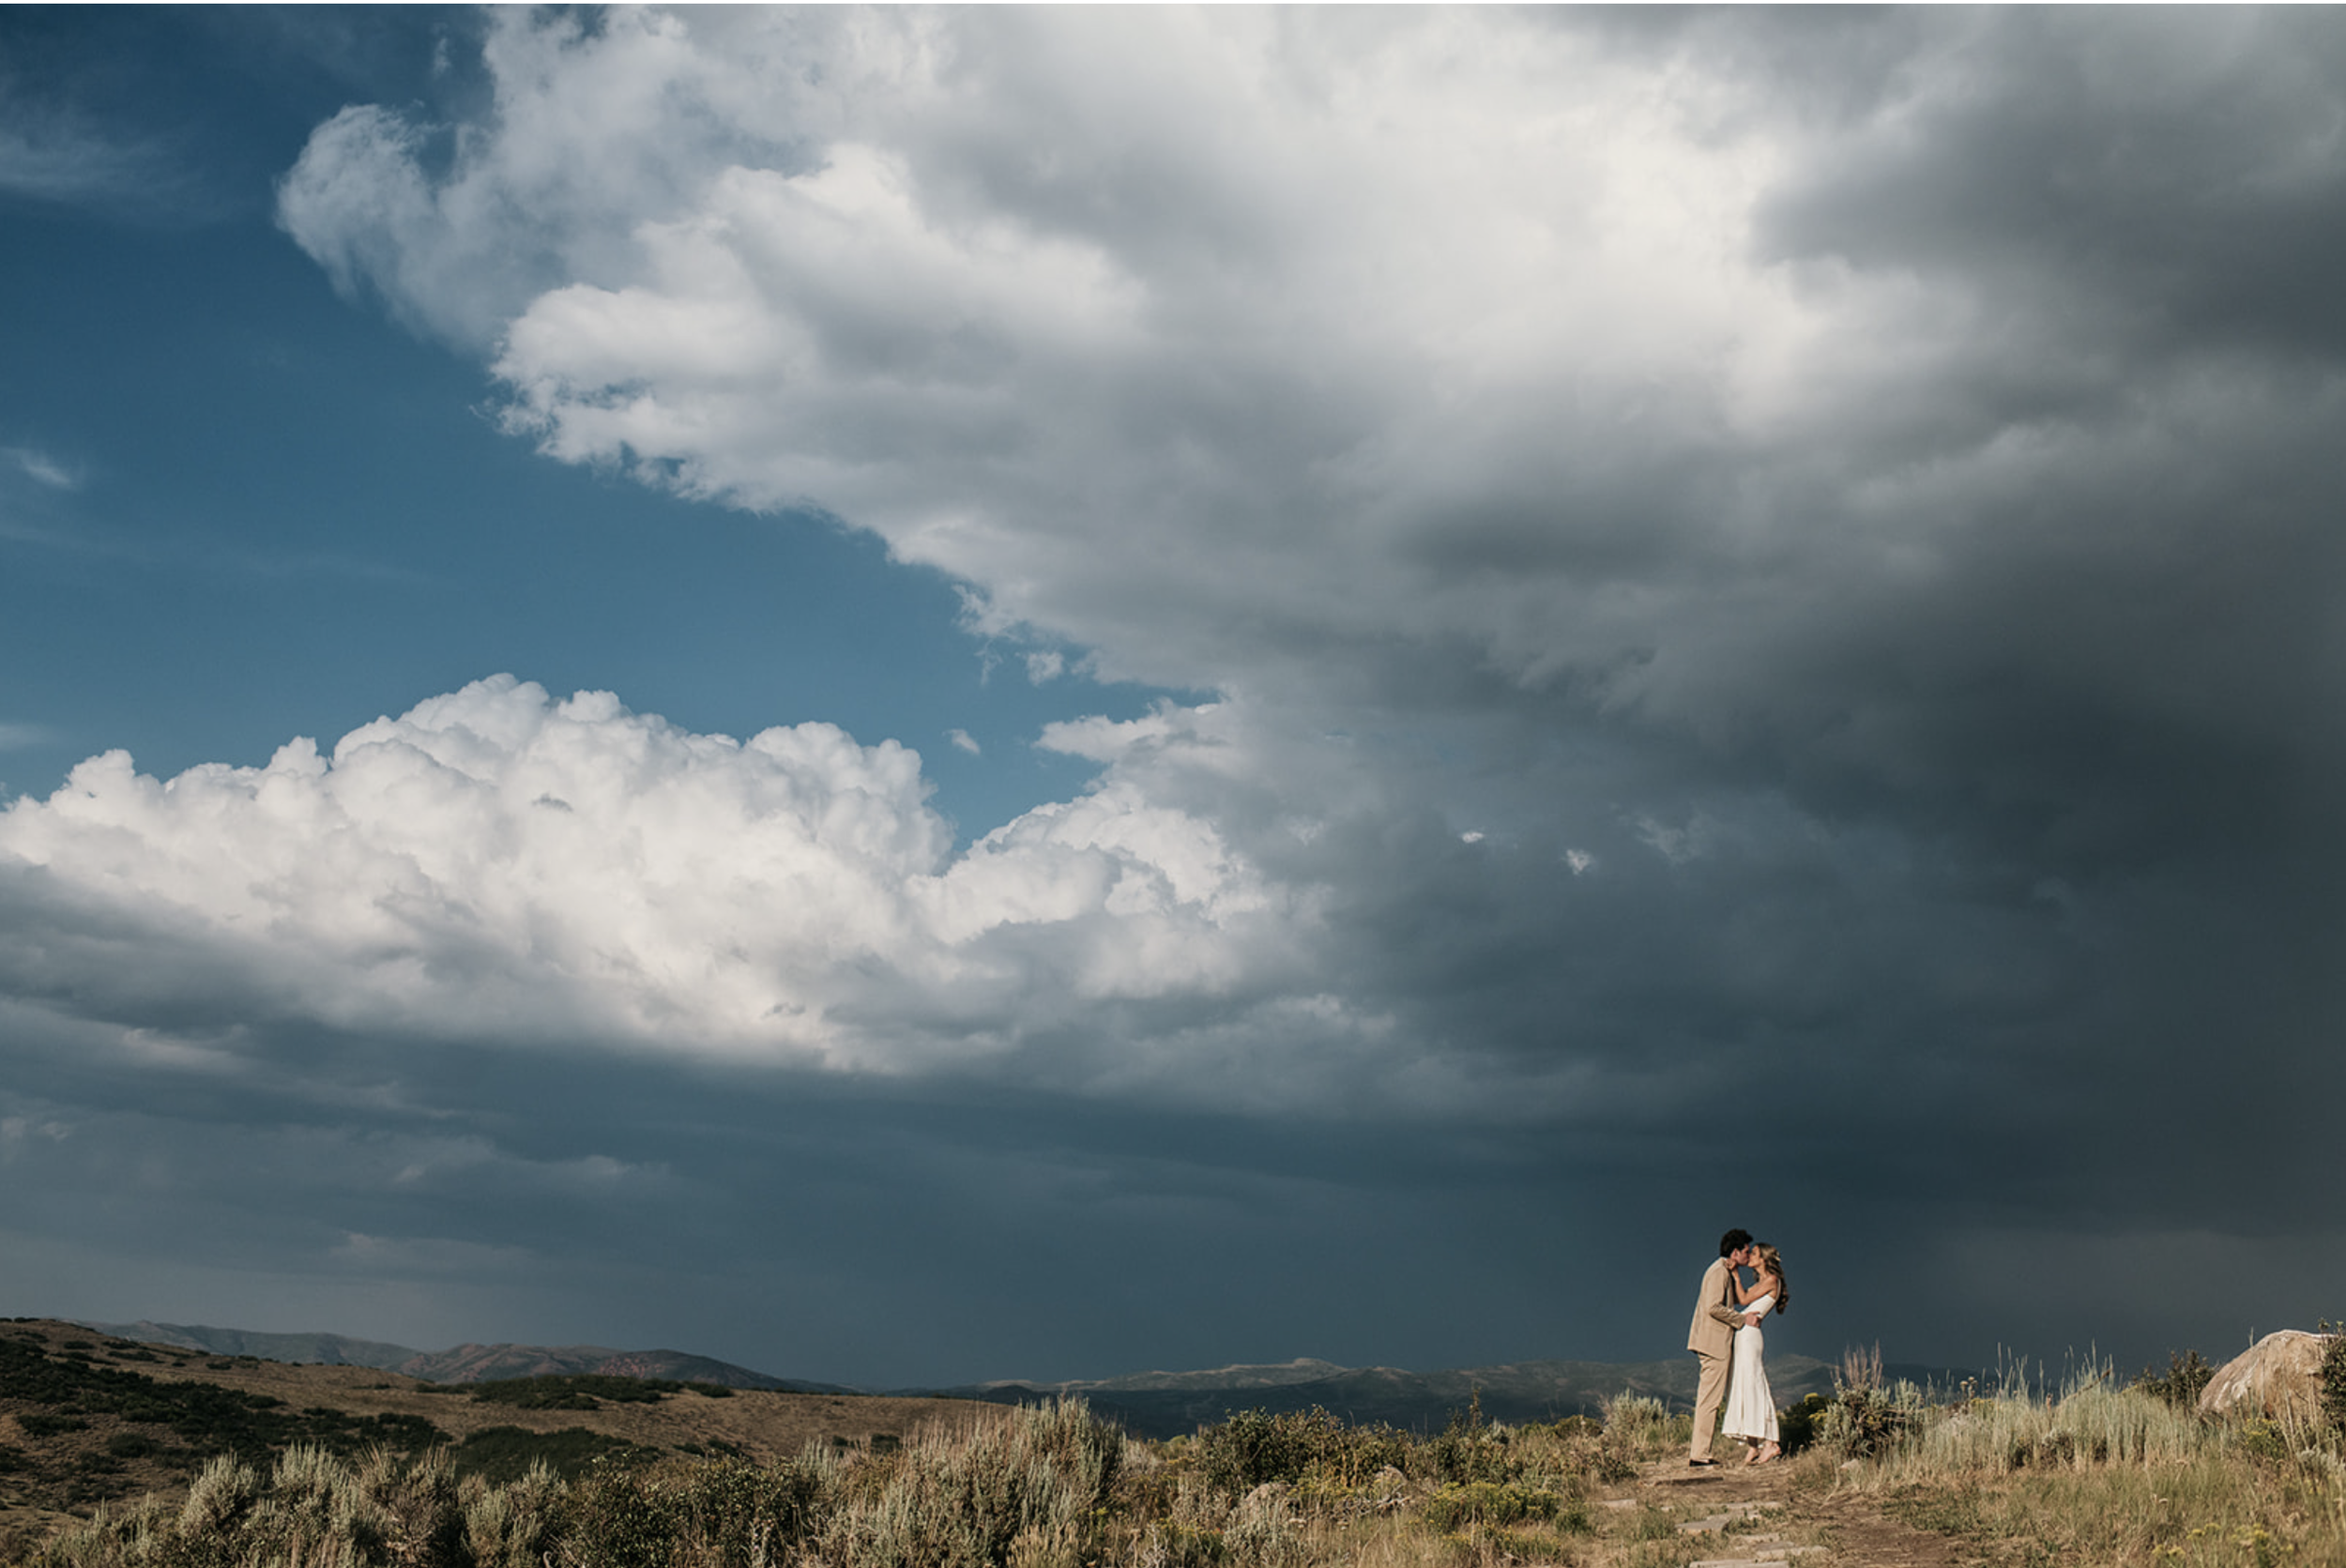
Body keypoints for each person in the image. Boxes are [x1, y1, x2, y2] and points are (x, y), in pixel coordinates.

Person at [1686, 1228, 1761, 1466]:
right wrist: (1742, 1320)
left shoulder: (1725, 1271)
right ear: (1735, 1251)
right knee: (1710, 1400)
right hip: (1713, 1344)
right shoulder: (1718, 1272)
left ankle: (1700, 1453)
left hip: (1714, 1344)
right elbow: (1713, 1307)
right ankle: (1699, 1455)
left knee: (1711, 1399)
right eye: (1746, 1252)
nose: (1749, 1256)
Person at [1721, 1241, 1790, 1464]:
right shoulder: (1762, 1281)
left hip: (1750, 1337)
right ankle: (1753, 1446)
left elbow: (1743, 1300)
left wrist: (1735, 1276)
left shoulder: (1771, 1280)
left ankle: (1770, 1442)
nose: (1749, 1256)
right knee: (1743, 1385)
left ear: (1764, 1258)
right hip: (1744, 1334)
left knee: (1755, 1384)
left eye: (1754, 1254)